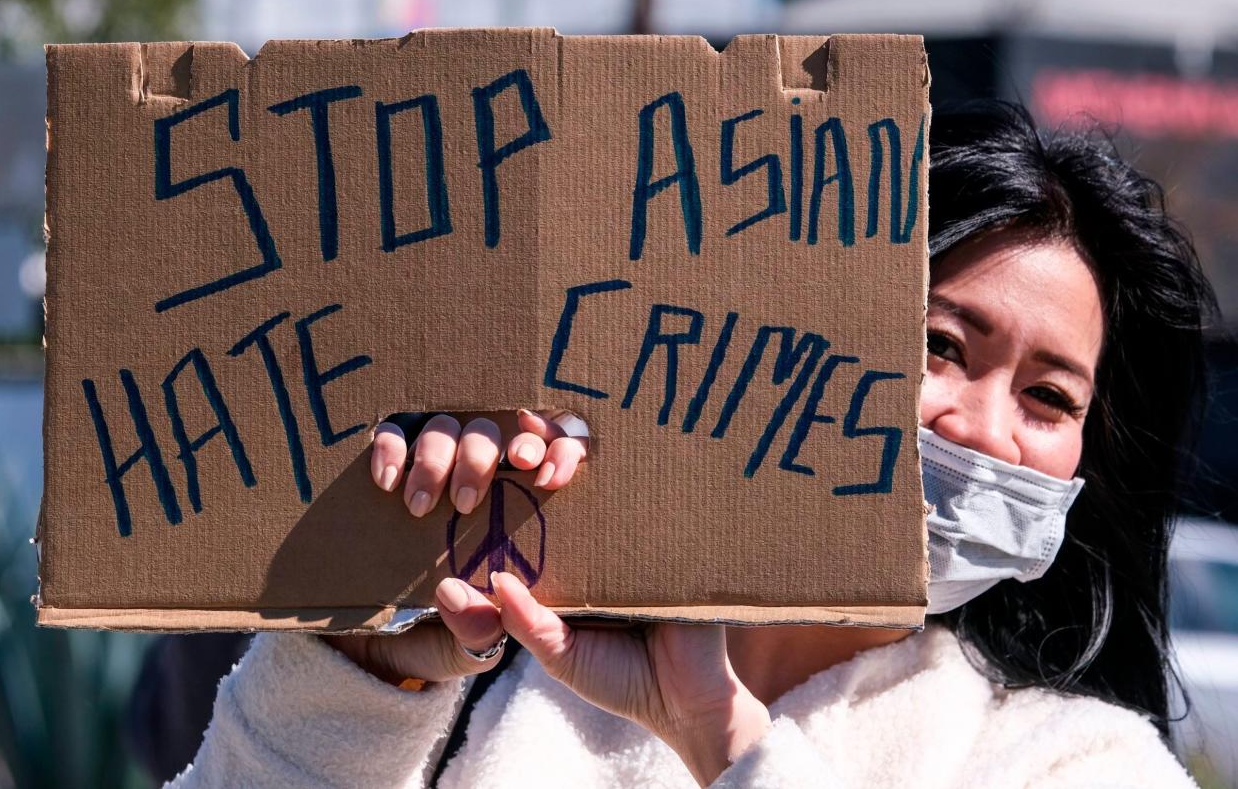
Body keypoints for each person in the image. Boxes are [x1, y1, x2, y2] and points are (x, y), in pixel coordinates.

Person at [163, 101, 1217, 788]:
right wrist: (363, 673)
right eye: (937, 346)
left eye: (1047, 396)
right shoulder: (495, 671)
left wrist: (718, 730)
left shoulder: (1078, 765)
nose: (981, 428)